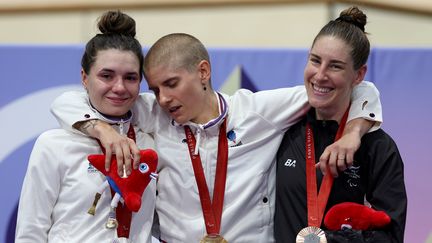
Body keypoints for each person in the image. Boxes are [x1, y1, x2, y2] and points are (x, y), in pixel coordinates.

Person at [50, 32, 382, 242]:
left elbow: (357, 86)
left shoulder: (259, 111)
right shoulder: (155, 114)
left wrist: (353, 133)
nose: (163, 97)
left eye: (172, 83)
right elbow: (69, 101)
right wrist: (104, 131)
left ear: (203, 72)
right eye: (155, 89)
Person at [15, 10, 156, 243]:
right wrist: (101, 129)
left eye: (130, 77)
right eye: (107, 76)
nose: (119, 87)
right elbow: (31, 231)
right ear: (84, 77)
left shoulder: (149, 141)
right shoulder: (54, 145)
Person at [274, 6, 407, 243]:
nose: (320, 75)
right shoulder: (282, 128)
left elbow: (391, 235)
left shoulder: (377, 147)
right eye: (315, 61)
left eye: (335, 66)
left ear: (358, 75)